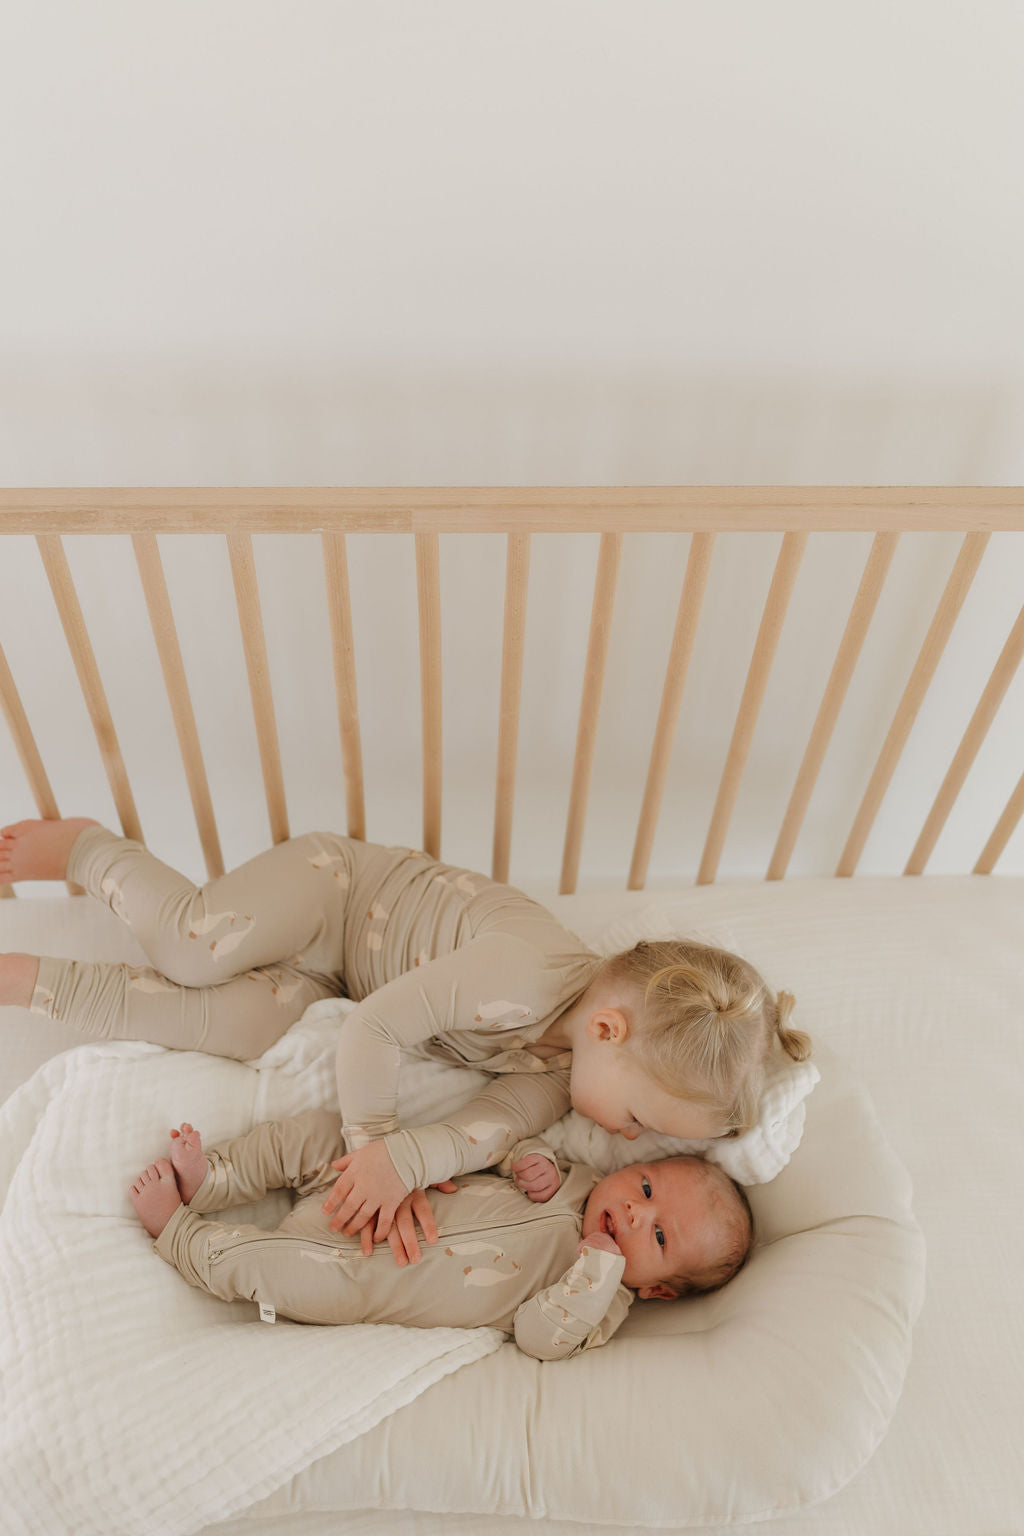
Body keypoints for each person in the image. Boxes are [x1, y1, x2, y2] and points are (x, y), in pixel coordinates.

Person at [0, 818, 808, 1261]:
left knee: (232, 1028)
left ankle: (30, 980)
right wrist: (374, 1143)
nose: (627, 1139)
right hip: (338, 896)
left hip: (340, 976)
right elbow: (373, 1030)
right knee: (194, 948)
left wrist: (406, 1174)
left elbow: (475, 1133)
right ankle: (83, 848)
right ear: (608, 1030)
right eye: (639, 1117)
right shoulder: (521, 973)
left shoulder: (560, 1079)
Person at [128, 1110, 755, 1360]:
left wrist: (595, 1273)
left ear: (661, 1291)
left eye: (661, 1239)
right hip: (388, 1191)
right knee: (326, 1135)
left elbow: (540, 1338)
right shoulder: (576, 1177)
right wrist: (527, 1160)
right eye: (645, 1189)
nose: (637, 1215)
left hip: (369, 1272)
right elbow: (506, 1143)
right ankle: (216, 1177)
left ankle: (180, 1233)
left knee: (283, 1269)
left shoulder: (602, 1304)